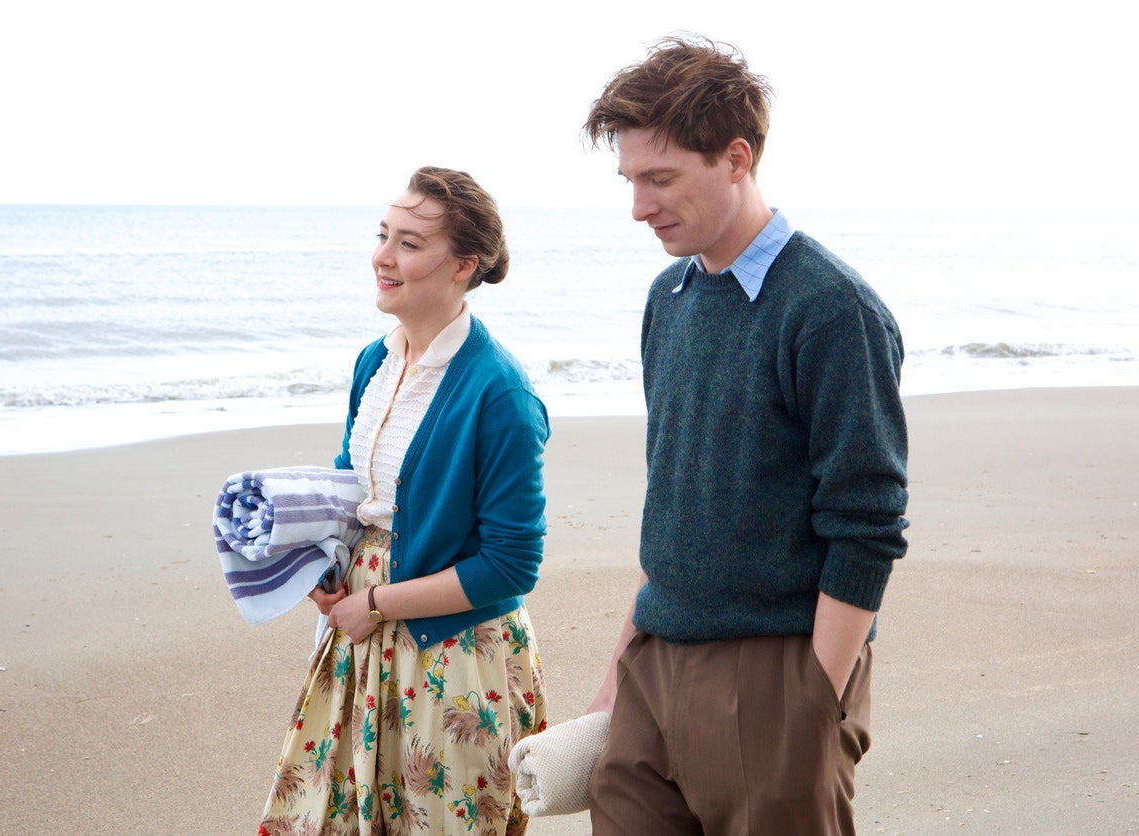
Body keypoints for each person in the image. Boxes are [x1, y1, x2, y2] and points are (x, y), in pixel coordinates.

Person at [580, 36, 910, 834]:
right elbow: (679, 498)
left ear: (736, 157)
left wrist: (811, 701)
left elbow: (867, 521)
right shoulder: (671, 297)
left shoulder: (831, 308)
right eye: (630, 180)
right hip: (656, 657)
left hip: (774, 667)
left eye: (660, 178)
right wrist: (622, 669)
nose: (639, 206)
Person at [259, 166, 550, 835]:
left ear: (463, 265)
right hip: (359, 637)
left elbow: (511, 565)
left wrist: (376, 604)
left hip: (450, 654)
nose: (382, 256)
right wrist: (323, 574)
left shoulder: (499, 393)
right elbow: (354, 488)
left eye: (410, 243)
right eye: (383, 235)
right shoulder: (375, 361)